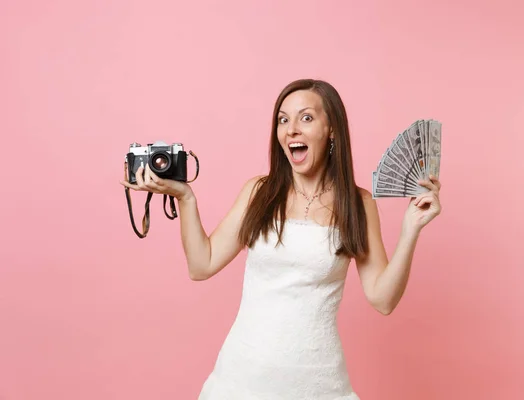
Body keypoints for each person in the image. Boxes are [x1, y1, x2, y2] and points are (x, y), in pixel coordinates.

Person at [120, 78, 442, 399]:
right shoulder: (258, 193)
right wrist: (185, 198)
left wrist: (410, 229)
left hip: (319, 384)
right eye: (283, 120)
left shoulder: (358, 204)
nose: (291, 130)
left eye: (306, 118)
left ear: (332, 130)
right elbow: (201, 264)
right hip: (242, 380)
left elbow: (382, 299)